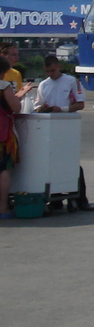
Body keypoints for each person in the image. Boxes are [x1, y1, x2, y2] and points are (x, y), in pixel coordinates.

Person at [34, 54, 93, 211]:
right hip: (49, 127)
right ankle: (55, 198)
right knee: (51, 163)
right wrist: (42, 108)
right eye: (47, 71)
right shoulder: (43, 85)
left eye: (52, 70)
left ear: (59, 66)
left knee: (72, 163)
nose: (50, 74)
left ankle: (81, 199)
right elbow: (37, 106)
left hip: (67, 125)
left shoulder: (71, 81)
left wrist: (63, 109)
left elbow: (80, 104)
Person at [0, 74, 19, 219]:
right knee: (4, 168)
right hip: (2, 133)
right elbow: (16, 107)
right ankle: (3, 207)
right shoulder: (3, 86)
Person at [2, 43, 36, 111]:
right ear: (2, 56)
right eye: (14, 55)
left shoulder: (16, 74)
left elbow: (18, 98)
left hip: (11, 113)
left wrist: (22, 93)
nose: (17, 58)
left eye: (17, 55)